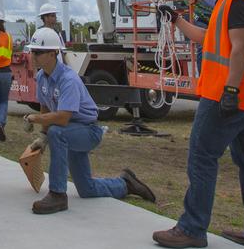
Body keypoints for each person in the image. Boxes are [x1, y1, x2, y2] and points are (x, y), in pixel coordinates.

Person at [153, 0, 244, 249]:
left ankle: (192, 227)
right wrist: (177, 20)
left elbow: (239, 48)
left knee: (202, 155)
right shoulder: (227, 2)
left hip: (226, 95)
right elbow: (208, 38)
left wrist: (231, 91)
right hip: (242, 96)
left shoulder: (235, 0)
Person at [24, 27, 156, 215]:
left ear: (54, 53)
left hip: (87, 131)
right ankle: (125, 183)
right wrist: (42, 136)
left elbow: (62, 117)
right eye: (32, 51)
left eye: (38, 52)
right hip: (71, 132)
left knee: (57, 132)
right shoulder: (41, 77)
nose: (33, 56)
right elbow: (45, 105)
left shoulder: (68, 79)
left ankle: (58, 194)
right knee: (87, 189)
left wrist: (36, 120)